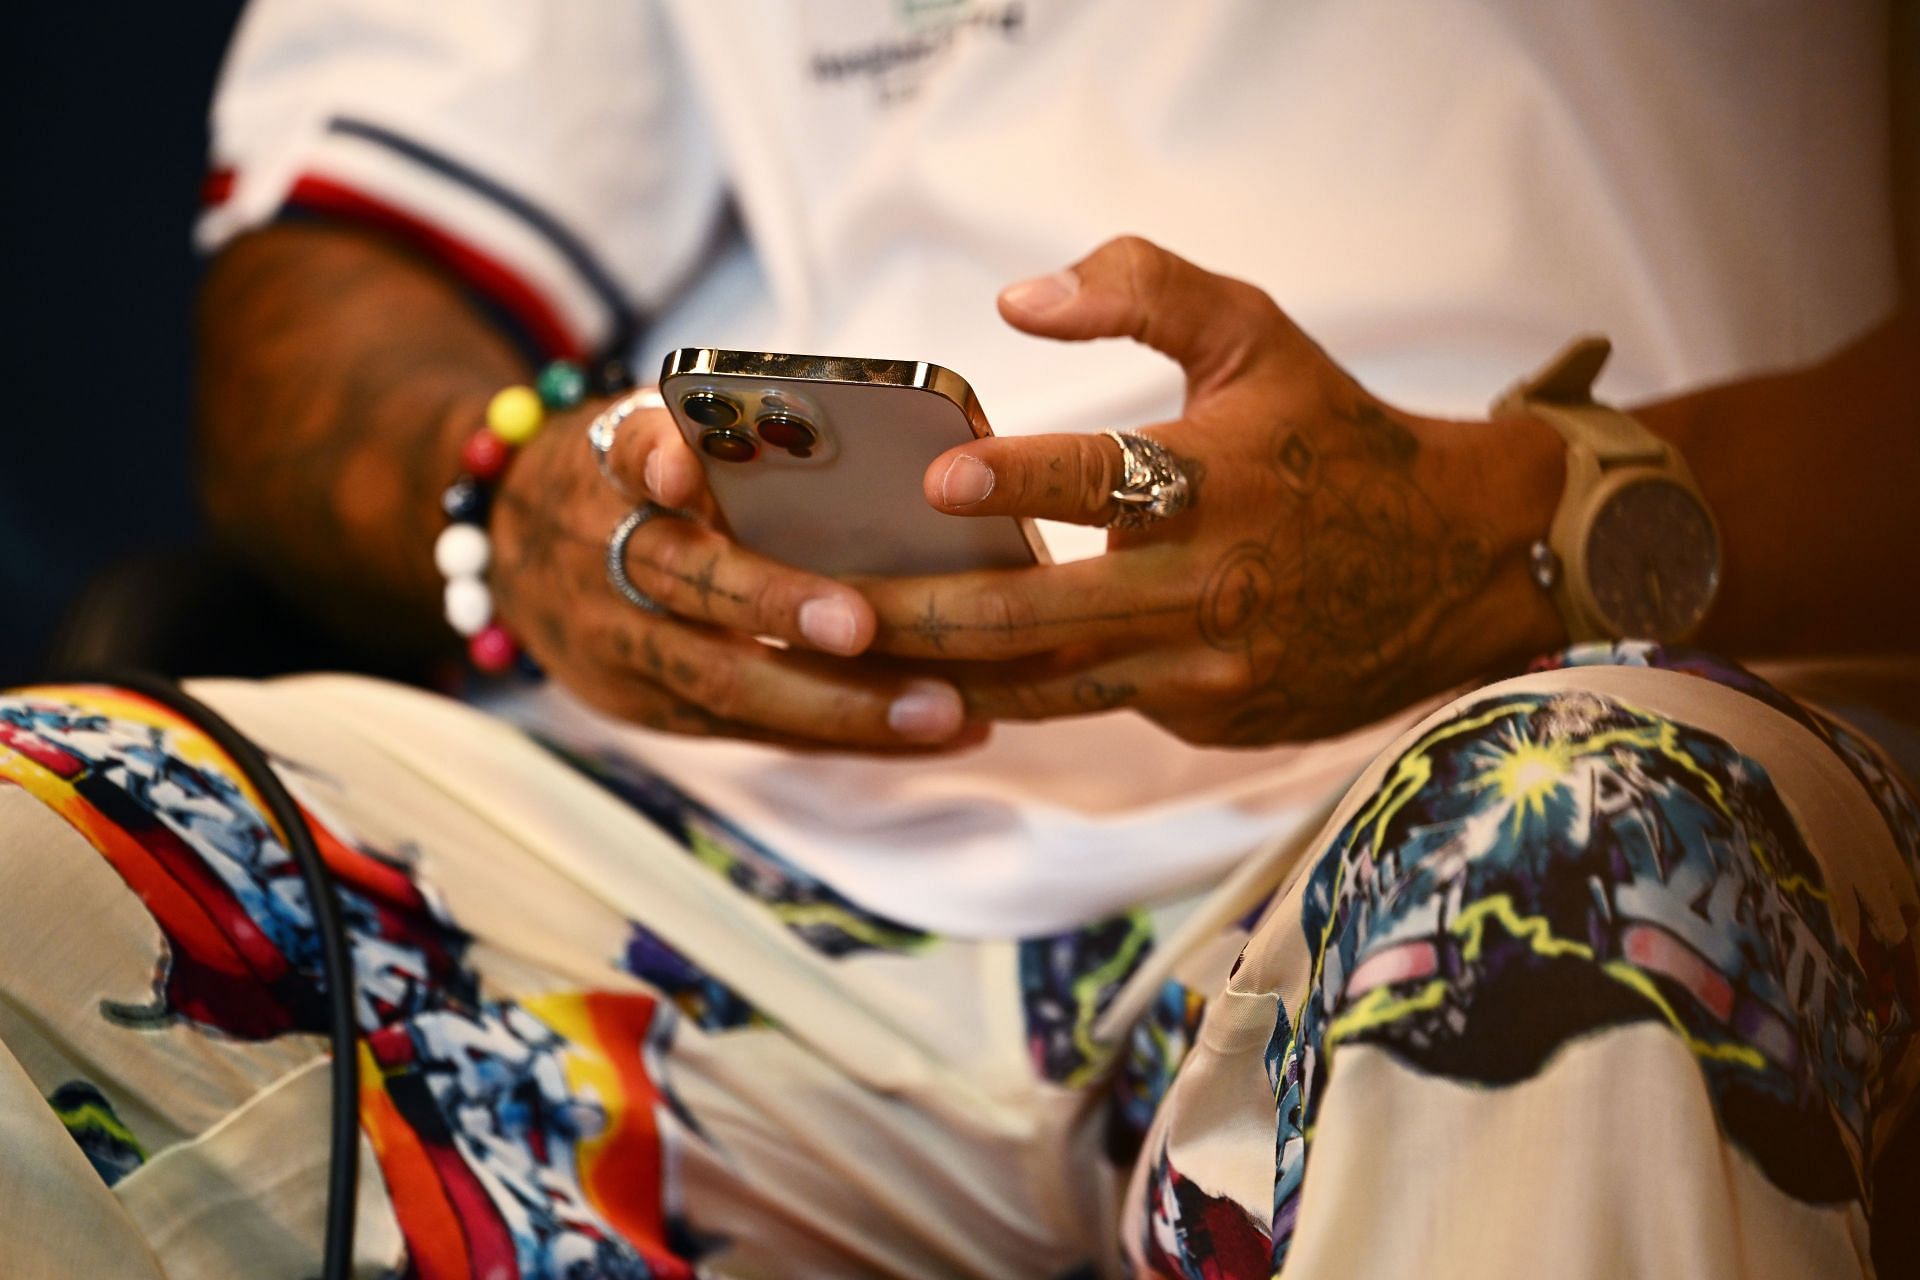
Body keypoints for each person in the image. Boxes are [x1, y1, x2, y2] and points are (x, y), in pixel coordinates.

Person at [1, 2, 1915, 1276]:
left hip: (1576, 705)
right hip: (751, 864)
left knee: (1583, 850)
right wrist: (506, 492)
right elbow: (316, 300)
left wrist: (1515, 530)